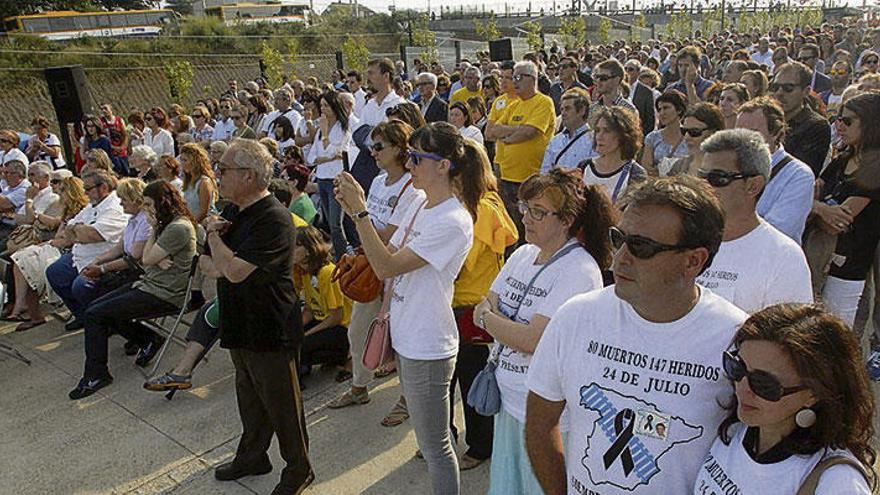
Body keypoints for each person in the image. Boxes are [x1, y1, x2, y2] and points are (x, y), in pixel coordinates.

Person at [525, 175, 748, 495]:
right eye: (619, 239)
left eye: (641, 247)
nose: (620, 258)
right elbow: (540, 422)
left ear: (693, 261)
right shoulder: (576, 317)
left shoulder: (735, 340)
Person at [334, 122, 487, 495]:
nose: (410, 163)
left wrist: (360, 213)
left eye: (418, 157)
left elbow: (386, 266)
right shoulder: (420, 202)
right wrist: (358, 210)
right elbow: (385, 249)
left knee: (435, 446)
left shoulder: (453, 220)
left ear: (444, 165)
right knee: (429, 439)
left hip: (428, 342)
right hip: (406, 330)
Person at [477, 168, 615, 494]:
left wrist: (489, 320)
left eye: (538, 212)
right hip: (508, 401)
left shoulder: (579, 270)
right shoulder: (524, 254)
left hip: (548, 417)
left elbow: (532, 340)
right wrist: (500, 322)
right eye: (525, 208)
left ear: (566, 220)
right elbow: (485, 301)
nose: (526, 218)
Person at [201, 138, 313, 494]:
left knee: (283, 406)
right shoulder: (233, 213)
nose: (218, 176)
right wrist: (219, 252)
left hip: (269, 326)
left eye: (224, 170)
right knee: (249, 398)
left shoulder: (274, 219)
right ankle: (252, 456)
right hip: (239, 322)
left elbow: (231, 270)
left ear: (248, 176)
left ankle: (299, 469)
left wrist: (213, 237)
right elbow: (208, 266)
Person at [693, 303, 875, 494]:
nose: (742, 389)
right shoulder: (737, 428)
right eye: (737, 368)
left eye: (764, 384)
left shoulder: (837, 482)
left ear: (814, 394)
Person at [69, 180, 197, 400]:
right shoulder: (168, 224)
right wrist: (156, 257)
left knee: (95, 314)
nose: (146, 209)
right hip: (149, 284)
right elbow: (148, 259)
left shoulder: (176, 227)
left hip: (165, 294)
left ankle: (96, 374)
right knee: (96, 307)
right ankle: (148, 338)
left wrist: (154, 232)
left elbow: (145, 258)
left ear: (162, 203)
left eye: (149, 204)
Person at [327, 120, 424, 411]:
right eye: (372, 146)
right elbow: (364, 225)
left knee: (402, 338)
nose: (373, 152)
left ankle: (408, 400)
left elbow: (386, 234)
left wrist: (357, 210)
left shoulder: (413, 188)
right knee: (358, 330)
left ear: (400, 148)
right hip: (370, 266)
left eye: (380, 146)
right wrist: (350, 204)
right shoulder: (379, 181)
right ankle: (359, 387)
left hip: (398, 270)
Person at [447, 140, 517, 471]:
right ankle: (446, 439)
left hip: (471, 306)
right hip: (459, 305)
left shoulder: (483, 208)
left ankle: (480, 445)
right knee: (450, 380)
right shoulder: (478, 203)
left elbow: (460, 264)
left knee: (471, 379)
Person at [695, 129, 813, 313]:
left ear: (753, 186)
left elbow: (790, 336)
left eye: (717, 178)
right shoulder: (682, 239)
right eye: (701, 176)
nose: (704, 186)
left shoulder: (784, 257)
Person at [813, 93, 880, 328]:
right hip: (821, 260)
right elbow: (812, 195)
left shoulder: (875, 168)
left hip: (848, 268)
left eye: (848, 121)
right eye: (839, 119)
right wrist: (819, 208)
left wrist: (816, 210)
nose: (839, 125)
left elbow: (835, 224)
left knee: (835, 340)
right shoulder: (842, 159)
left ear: (871, 124)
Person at [46, 170, 129, 331]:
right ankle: (84, 315)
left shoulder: (114, 207)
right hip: (80, 255)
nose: (84, 193)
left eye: (88, 189)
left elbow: (93, 234)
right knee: (54, 273)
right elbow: (67, 231)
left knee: (81, 286)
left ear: (103, 187)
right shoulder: (92, 205)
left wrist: (78, 232)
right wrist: (79, 231)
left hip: (105, 258)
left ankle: (108, 322)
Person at [489, 61, 556, 246]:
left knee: (527, 229)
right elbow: (492, 130)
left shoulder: (543, 102)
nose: (514, 82)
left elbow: (531, 132)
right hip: (507, 175)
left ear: (532, 79)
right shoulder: (513, 105)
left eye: (518, 77)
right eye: (513, 77)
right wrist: (515, 130)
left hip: (529, 177)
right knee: (509, 227)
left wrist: (508, 133)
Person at [9, 174, 88, 330]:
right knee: (22, 257)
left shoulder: (82, 212)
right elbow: (60, 234)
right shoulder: (67, 212)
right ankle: (25, 309)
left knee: (26, 259)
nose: (59, 194)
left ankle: (24, 309)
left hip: (69, 250)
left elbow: (68, 240)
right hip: (57, 245)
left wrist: (51, 241)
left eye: (62, 191)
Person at [737, 97, 815, 244]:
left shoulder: (799, 175)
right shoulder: (728, 168)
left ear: (775, 133)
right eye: (738, 132)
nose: (743, 139)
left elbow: (778, 231)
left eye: (752, 132)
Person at [293, 226, 351, 381]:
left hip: (341, 329)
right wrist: (294, 328)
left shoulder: (326, 272)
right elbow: (309, 310)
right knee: (288, 337)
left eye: (296, 246)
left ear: (309, 249)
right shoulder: (305, 272)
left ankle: (343, 357)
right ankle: (304, 365)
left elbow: (336, 318)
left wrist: (305, 335)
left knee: (300, 345)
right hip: (322, 320)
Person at [309, 90, 355, 260]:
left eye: (326, 106)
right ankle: (339, 252)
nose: (323, 109)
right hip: (322, 178)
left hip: (336, 179)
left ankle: (342, 256)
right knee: (329, 222)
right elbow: (312, 157)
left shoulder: (343, 127)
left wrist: (326, 136)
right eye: (321, 106)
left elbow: (338, 151)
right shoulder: (321, 130)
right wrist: (326, 157)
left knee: (336, 223)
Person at [773, 62, 831, 176]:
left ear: (806, 91)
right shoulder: (767, 119)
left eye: (788, 88)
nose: (779, 93)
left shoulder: (817, 126)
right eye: (775, 87)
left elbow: (798, 173)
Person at [578, 107, 646, 203]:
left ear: (622, 135)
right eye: (597, 130)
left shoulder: (635, 173)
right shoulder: (584, 167)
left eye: (606, 131)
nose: (599, 137)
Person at [540, 88, 595, 174]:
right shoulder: (555, 141)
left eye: (568, 109)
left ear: (582, 111)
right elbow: (544, 172)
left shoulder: (594, 140)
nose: (563, 113)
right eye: (562, 109)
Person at [664, 102, 725, 177]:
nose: (687, 137)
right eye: (684, 131)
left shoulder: (728, 170)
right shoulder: (678, 167)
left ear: (714, 133)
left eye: (694, 132)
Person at [641, 90, 689, 173]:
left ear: (679, 110)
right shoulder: (652, 137)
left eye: (666, 108)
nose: (662, 113)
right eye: (659, 110)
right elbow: (646, 168)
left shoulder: (690, 136)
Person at [179, 143, 217, 223]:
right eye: (181, 160)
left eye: (185, 160)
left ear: (195, 162)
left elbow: (204, 212)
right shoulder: (187, 181)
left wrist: (190, 225)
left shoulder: (204, 182)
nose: (182, 163)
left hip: (202, 225)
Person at [99, 103, 130, 176]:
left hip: (121, 151)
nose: (104, 111)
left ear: (111, 109)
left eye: (105, 108)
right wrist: (113, 147)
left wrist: (123, 147)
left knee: (126, 171)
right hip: (110, 152)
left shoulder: (119, 120)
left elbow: (125, 135)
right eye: (102, 109)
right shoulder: (101, 122)